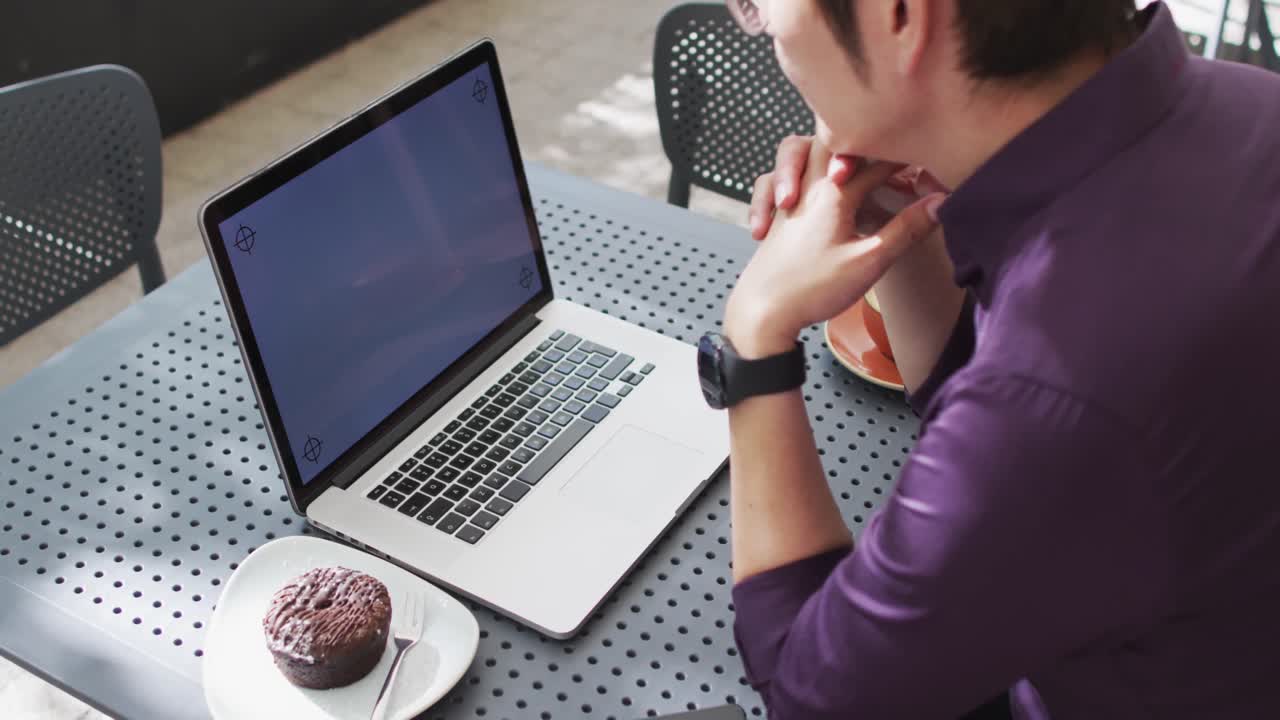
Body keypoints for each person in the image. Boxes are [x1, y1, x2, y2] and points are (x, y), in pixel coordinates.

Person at [710, 1, 1280, 717]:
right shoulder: (1246, 99)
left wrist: (755, 340)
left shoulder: (1058, 393)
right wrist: (890, 223)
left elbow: (816, 694)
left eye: (760, 6)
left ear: (901, 17)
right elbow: (996, 427)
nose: (762, 30)